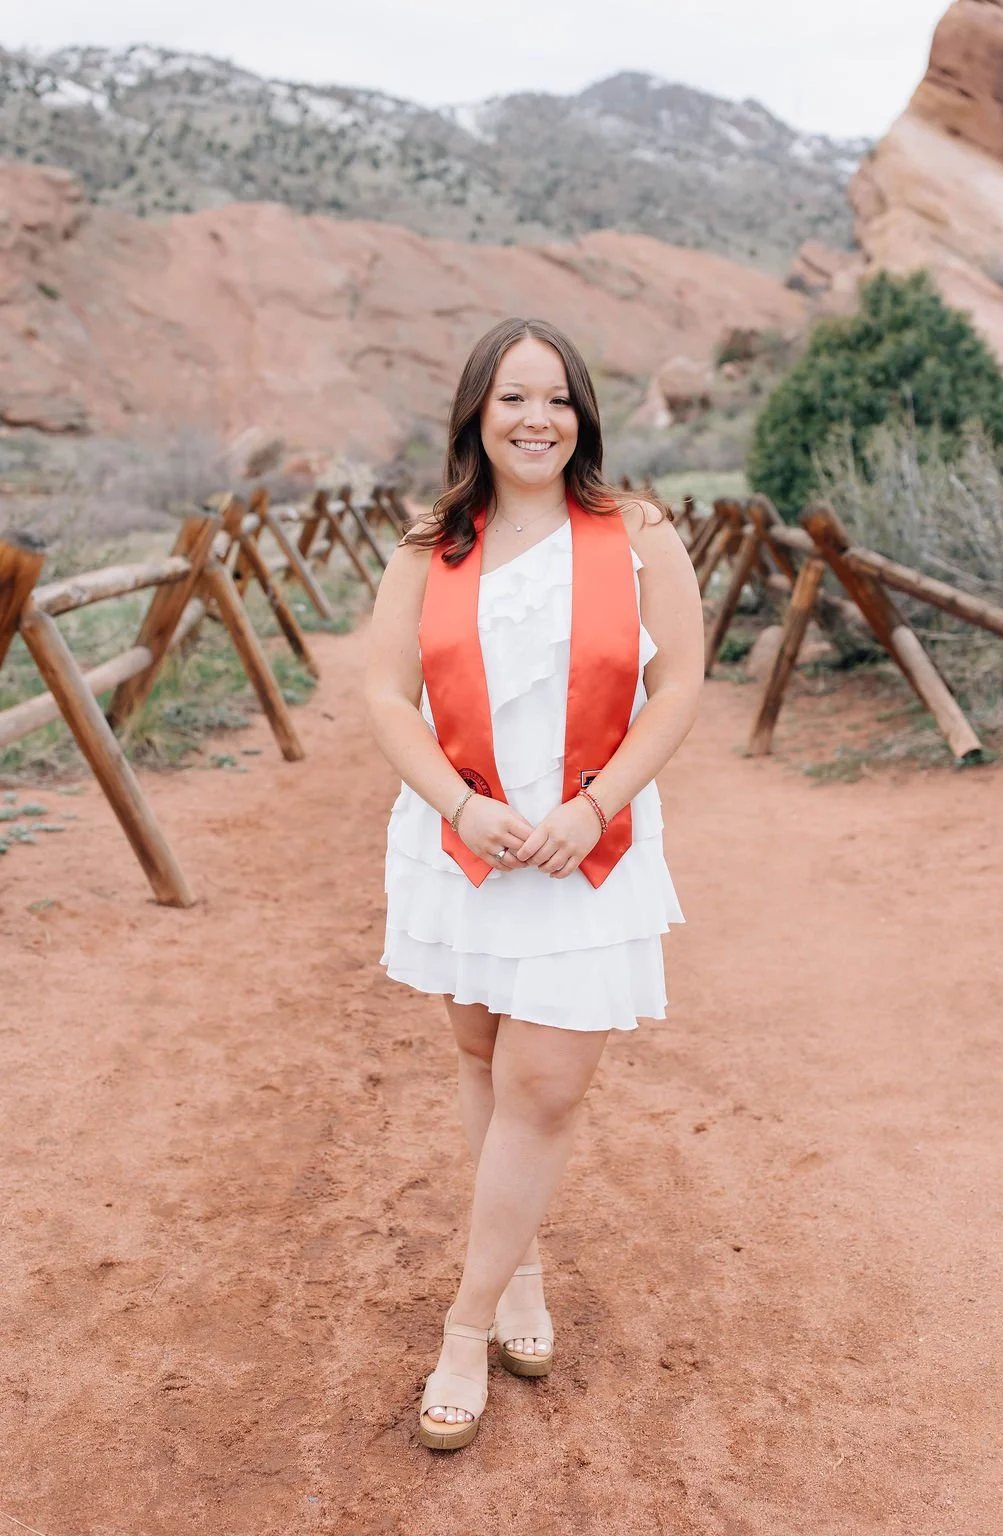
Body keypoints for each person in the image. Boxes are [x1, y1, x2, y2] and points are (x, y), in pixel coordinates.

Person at [364, 316, 704, 1450]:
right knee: (482, 1060)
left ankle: (465, 1323)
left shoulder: (635, 531)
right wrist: (461, 806)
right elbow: (382, 697)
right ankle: (517, 1277)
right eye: (512, 397)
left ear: (583, 417)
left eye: (556, 399)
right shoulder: (429, 547)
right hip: (466, 844)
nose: (535, 418)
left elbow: (680, 683)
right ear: (476, 413)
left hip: (581, 850)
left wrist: (593, 805)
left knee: (546, 1087)